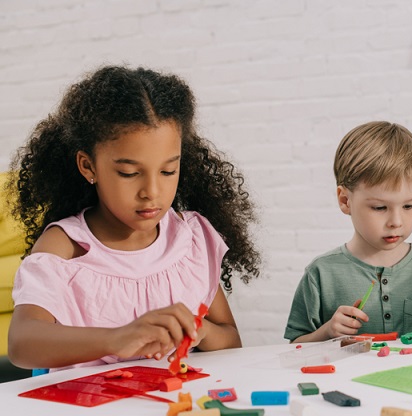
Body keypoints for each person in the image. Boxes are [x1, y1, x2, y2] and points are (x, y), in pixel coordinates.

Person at [4, 65, 261, 371]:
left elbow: (232, 340)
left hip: (167, 410)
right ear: (88, 167)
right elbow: (22, 343)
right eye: (129, 173)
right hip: (87, 413)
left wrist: (199, 331)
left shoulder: (189, 239)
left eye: (168, 171)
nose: (151, 191)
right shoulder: (67, 246)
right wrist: (117, 338)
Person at [285, 121, 412, 343]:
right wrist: (327, 332)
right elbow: (295, 347)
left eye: (409, 206)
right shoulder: (321, 273)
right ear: (345, 200)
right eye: (379, 208)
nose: (396, 221)